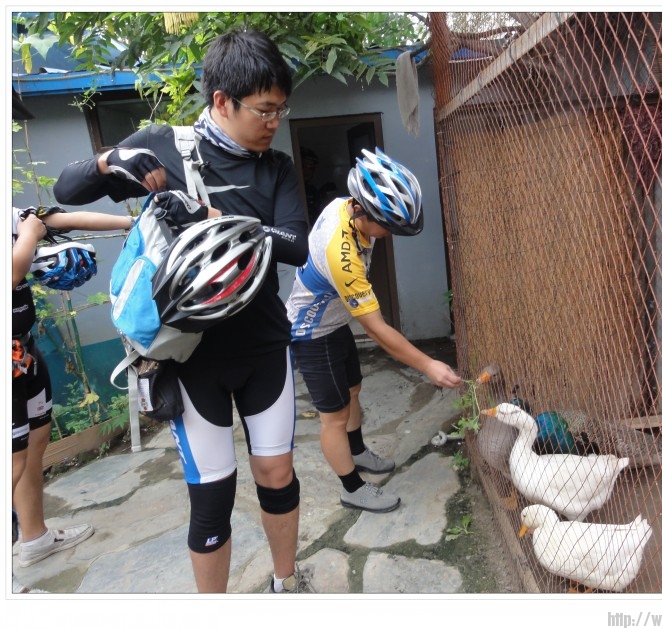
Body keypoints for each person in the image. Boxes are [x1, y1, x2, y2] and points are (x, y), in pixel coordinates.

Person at [52, 29, 310, 593]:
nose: (274, 122)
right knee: (212, 494)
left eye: (279, 110)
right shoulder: (165, 146)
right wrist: (110, 159)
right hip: (191, 356)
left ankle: (286, 584)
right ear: (222, 101)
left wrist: (215, 221)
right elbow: (65, 190)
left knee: (277, 474)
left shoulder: (278, 168)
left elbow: (295, 244)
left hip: (265, 346)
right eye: (265, 110)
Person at [285, 147, 462, 513]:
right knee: (332, 416)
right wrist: (428, 365)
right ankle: (352, 488)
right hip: (312, 334)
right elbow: (379, 332)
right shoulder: (342, 253)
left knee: (353, 390)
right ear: (362, 211)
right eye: (389, 227)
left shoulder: (347, 208)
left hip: (334, 322)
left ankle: (358, 451)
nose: (391, 235)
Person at [12, 204, 132, 592]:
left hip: (23, 352)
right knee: (11, 462)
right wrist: (29, 235)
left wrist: (134, 221)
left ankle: (35, 539)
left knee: (34, 444)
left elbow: (61, 219)